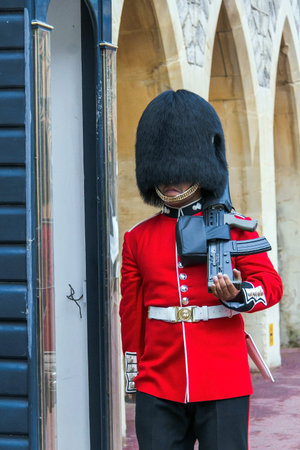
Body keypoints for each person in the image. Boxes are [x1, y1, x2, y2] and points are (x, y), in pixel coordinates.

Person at [119, 89, 282, 449]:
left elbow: (270, 285)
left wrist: (239, 294)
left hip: (223, 377)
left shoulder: (233, 226)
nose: (170, 181)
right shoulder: (137, 239)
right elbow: (131, 315)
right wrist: (134, 376)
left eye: (179, 172)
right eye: (163, 173)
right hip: (159, 380)